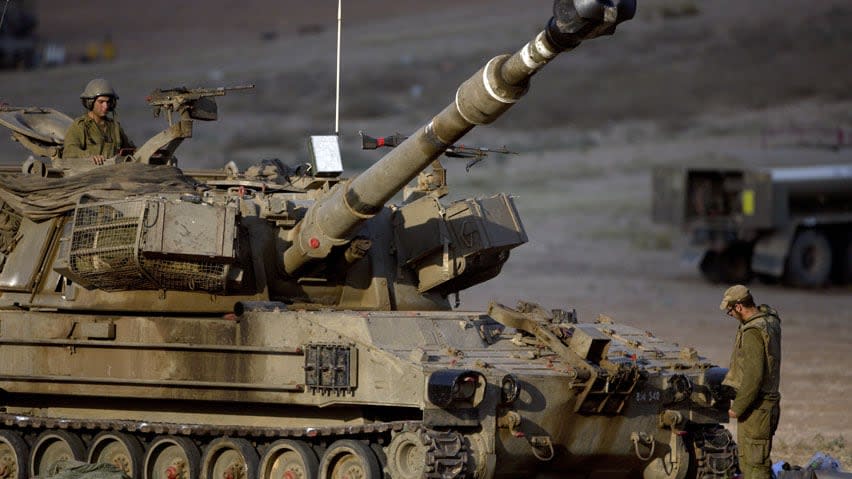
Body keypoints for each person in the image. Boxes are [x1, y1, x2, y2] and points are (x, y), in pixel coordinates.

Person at [720, 285, 782, 479]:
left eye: (730, 310)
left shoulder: (753, 332)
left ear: (739, 307)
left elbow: (753, 377)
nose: (730, 314)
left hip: (757, 408)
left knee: (754, 466)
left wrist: (737, 407)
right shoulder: (769, 321)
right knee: (754, 460)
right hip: (765, 406)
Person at [63, 78, 134, 165]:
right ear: (90, 103)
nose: (105, 106)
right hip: (90, 174)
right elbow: (69, 151)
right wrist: (90, 156)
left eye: (108, 102)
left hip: (113, 172)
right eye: (101, 102)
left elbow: (131, 149)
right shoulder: (80, 126)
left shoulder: (115, 127)